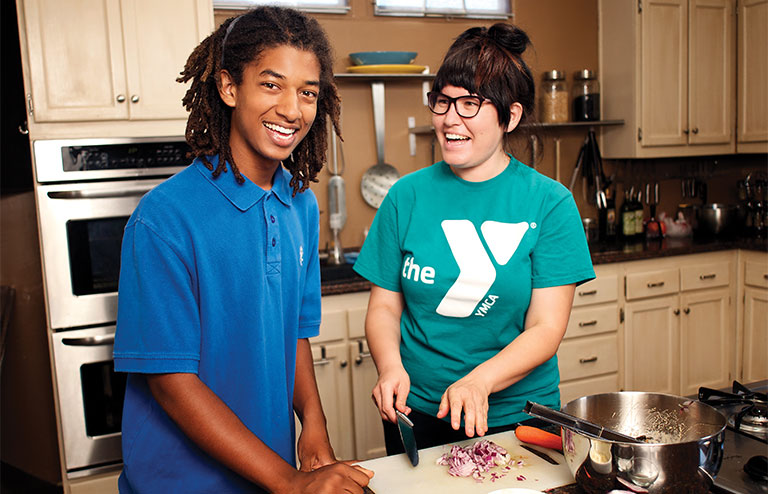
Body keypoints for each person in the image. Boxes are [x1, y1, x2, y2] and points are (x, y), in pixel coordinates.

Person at [113, 7, 373, 493]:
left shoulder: (301, 206)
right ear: (230, 87)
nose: (293, 110)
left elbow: (293, 331)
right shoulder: (164, 219)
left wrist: (312, 426)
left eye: (308, 92)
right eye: (271, 85)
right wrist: (291, 483)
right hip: (180, 484)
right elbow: (171, 382)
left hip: (268, 476)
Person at [352, 23, 595, 454]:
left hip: (516, 418)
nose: (450, 119)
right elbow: (385, 307)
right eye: (442, 101)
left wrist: (480, 381)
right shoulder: (404, 196)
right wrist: (390, 368)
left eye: (469, 104)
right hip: (417, 412)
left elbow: (545, 327)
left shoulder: (550, 203)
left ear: (511, 116)